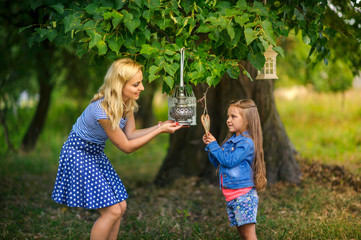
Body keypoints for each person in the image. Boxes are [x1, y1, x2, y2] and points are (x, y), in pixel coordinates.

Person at [51, 58, 183, 240]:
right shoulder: (103, 110)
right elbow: (127, 147)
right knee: (111, 211)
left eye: (141, 82)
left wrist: (160, 126)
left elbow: (131, 134)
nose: (142, 88)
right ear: (119, 84)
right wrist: (159, 130)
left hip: (95, 153)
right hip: (77, 153)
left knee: (120, 207)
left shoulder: (126, 103)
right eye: (136, 84)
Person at [202, 99, 267, 240]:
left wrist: (215, 146)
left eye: (233, 116)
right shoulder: (230, 141)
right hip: (232, 196)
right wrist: (210, 147)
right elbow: (219, 163)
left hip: (244, 196)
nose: (228, 120)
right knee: (243, 235)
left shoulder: (246, 142)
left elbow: (229, 161)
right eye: (228, 116)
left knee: (249, 236)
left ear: (247, 120)